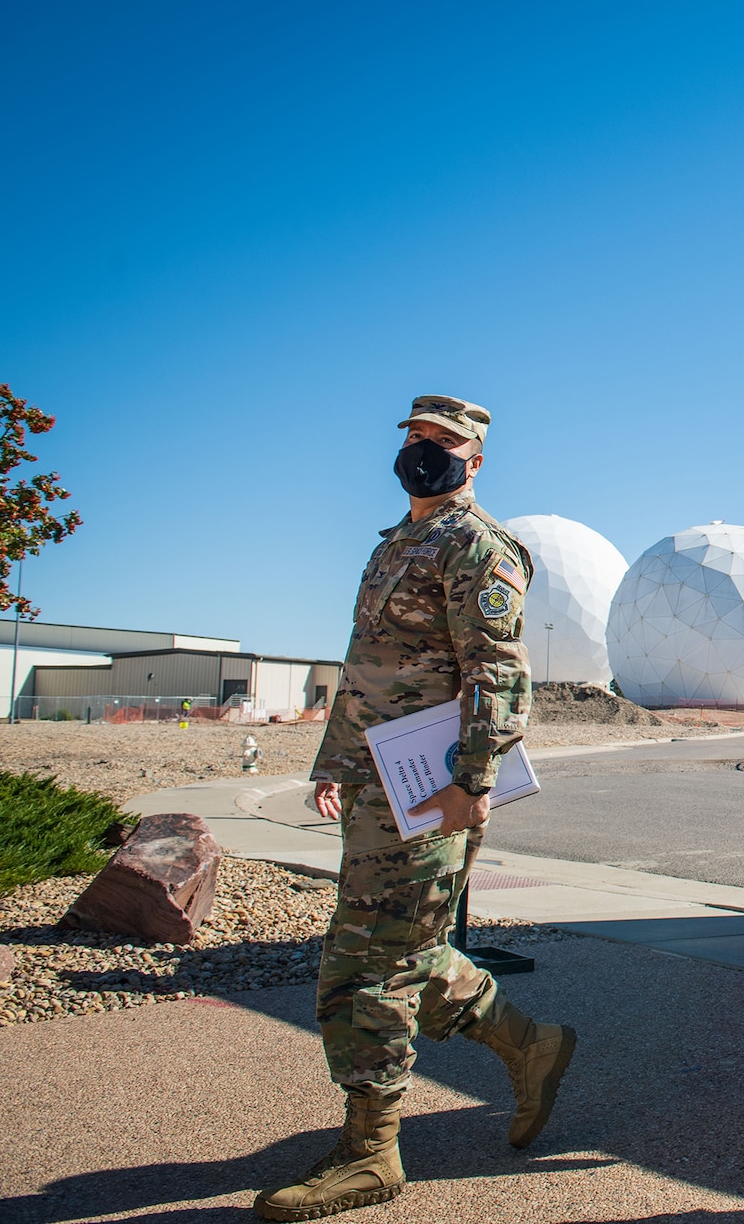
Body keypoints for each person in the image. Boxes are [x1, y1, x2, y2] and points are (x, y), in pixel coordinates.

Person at [257, 395, 577, 1222]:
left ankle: (371, 1151)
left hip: (431, 792)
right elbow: (367, 666)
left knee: (367, 965)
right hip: (376, 784)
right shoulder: (397, 542)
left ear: (475, 457)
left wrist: (471, 781)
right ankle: (532, 1045)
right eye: (415, 439)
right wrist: (334, 762)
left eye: (444, 442)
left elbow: (499, 673)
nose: (425, 452)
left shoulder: (479, 545)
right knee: (407, 949)